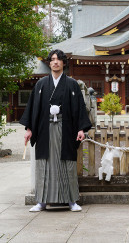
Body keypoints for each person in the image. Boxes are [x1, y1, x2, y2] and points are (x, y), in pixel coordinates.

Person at [20, 49, 92, 212]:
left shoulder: (72, 84)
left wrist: (81, 128)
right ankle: (42, 202)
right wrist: (29, 128)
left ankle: (72, 201)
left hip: (66, 128)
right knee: (44, 164)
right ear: (49, 62)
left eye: (59, 59)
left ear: (64, 63)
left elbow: (80, 108)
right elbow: (33, 108)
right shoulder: (41, 85)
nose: (55, 62)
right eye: (52, 59)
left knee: (67, 164)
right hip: (45, 129)